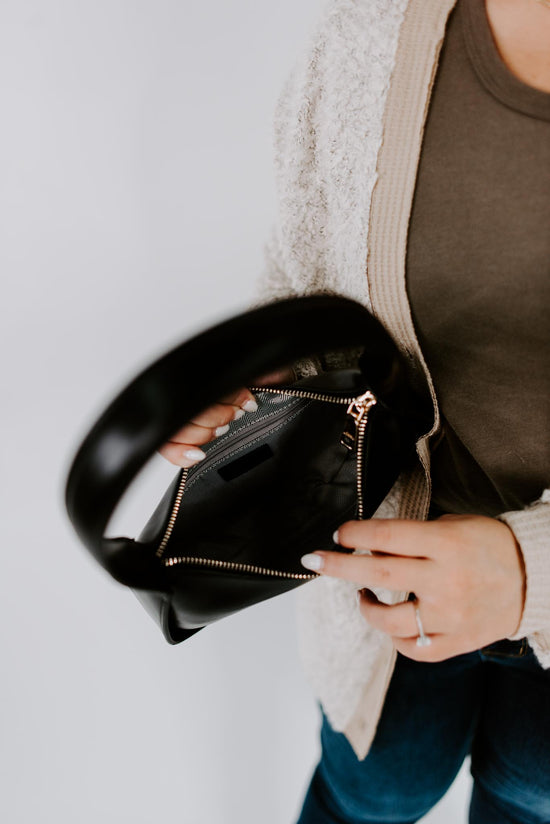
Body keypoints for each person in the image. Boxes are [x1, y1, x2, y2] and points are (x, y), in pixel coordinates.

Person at [160, 0, 550, 821]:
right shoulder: (366, 35)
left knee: (529, 796)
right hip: (375, 582)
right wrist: (260, 379)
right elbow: (307, 274)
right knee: (373, 791)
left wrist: (533, 573)